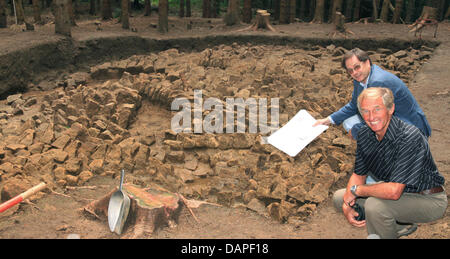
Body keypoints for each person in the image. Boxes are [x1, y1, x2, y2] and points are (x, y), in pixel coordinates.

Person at [332, 87, 447, 239]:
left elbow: (393, 192)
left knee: (375, 206)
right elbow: (358, 174)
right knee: (339, 198)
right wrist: (348, 203)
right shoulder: (366, 134)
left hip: (427, 199)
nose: (371, 116)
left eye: (377, 109)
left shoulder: (409, 137)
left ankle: (385, 228)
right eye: (365, 111)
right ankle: (398, 225)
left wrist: (356, 191)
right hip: (399, 194)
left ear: (390, 108)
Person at [313, 48, 431, 140]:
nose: (354, 73)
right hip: (389, 118)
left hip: (409, 126)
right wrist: (327, 120)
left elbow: (378, 117)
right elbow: (354, 105)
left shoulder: (378, 81)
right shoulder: (361, 79)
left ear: (367, 62)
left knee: (359, 130)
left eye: (357, 67)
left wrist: (355, 131)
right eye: (350, 70)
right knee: (349, 121)